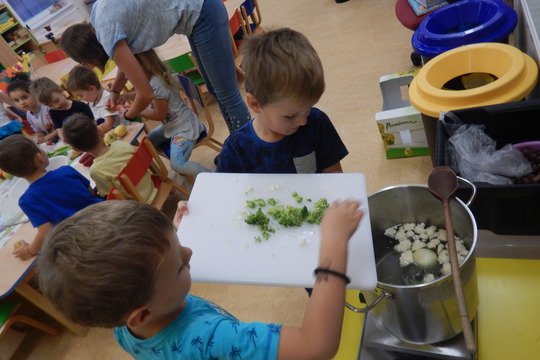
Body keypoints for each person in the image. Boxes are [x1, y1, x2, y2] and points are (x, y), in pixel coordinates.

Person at [38, 198, 362, 359]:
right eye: (180, 263)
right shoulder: (213, 337)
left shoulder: (124, 323)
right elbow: (316, 345)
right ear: (142, 312)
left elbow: (156, 279)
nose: (189, 252)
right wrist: (333, 243)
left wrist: (174, 241)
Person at [60, 0, 251, 134]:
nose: (90, 65)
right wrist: (115, 91)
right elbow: (125, 65)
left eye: (85, 61)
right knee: (216, 90)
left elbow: (146, 94)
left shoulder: (107, 33)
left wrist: (129, 113)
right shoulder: (98, 19)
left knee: (227, 94)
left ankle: (248, 149)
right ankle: (238, 141)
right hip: (197, 15)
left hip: (202, 13)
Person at [216, 28, 348, 173]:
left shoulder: (317, 123)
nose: (303, 121)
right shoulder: (236, 150)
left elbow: (334, 173)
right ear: (255, 104)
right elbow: (226, 192)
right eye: (290, 116)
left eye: (308, 108)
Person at [0, 135, 103, 260]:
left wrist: (29, 250)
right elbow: (91, 192)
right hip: (105, 217)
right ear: (39, 158)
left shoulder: (27, 200)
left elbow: (45, 232)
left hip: (84, 243)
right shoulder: (66, 171)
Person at [121, 49, 211, 176]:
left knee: (177, 165)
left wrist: (136, 111)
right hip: (173, 125)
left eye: (127, 72)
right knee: (148, 144)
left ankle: (212, 177)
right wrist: (126, 97)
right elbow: (142, 94)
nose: (125, 77)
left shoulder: (156, 85)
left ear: (140, 66)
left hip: (184, 127)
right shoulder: (151, 78)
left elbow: (159, 115)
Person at [62, 113, 157, 202]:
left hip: (139, 204)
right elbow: (141, 157)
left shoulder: (96, 170)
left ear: (76, 149)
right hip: (153, 186)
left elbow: (110, 195)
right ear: (100, 132)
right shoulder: (120, 144)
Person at [65, 65, 130, 135]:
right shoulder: (92, 102)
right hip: (111, 135)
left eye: (81, 95)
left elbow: (108, 124)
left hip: (124, 133)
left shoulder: (107, 98)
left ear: (91, 89)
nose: (81, 99)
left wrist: (92, 134)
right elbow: (97, 121)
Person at [29, 77, 94, 141]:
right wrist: (64, 139)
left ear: (60, 91)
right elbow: (59, 129)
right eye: (50, 105)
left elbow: (93, 120)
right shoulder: (53, 112)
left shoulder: (79, 106)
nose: (56, 106)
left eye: (57, 101)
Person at [7, 72, 57, 143]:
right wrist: (35, 136)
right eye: (16, 101)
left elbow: (61, 127)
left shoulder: (47, 107)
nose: (22, 103)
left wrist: (45, 138)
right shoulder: (29, 115)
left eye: (25, 97)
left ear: (33, 93)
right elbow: (41, 132)